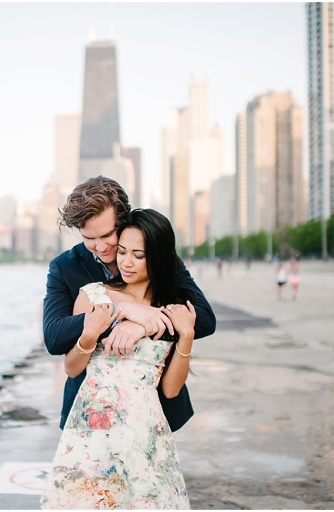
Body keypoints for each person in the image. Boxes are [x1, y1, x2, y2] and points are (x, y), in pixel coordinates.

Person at [40, 209, 194, 509]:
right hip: (93, 426)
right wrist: (88, 335)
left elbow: (171, 390)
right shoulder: (93, 296)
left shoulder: (170, 308)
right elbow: (71, 369)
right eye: (122, 252)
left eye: (138, 255)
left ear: (158, 257)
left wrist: (186, 335)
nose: (125, 261)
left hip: (145, 428)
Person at [42, 176, 216, 435]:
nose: (100, 247)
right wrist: (118, 313)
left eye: (107, 235)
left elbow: (203, 318)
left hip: (152, 408)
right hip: (90, 412)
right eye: (89, 238)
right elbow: (54, 337)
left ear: (123, 221)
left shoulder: (158, 256)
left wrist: (143, 326)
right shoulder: (64, 267)